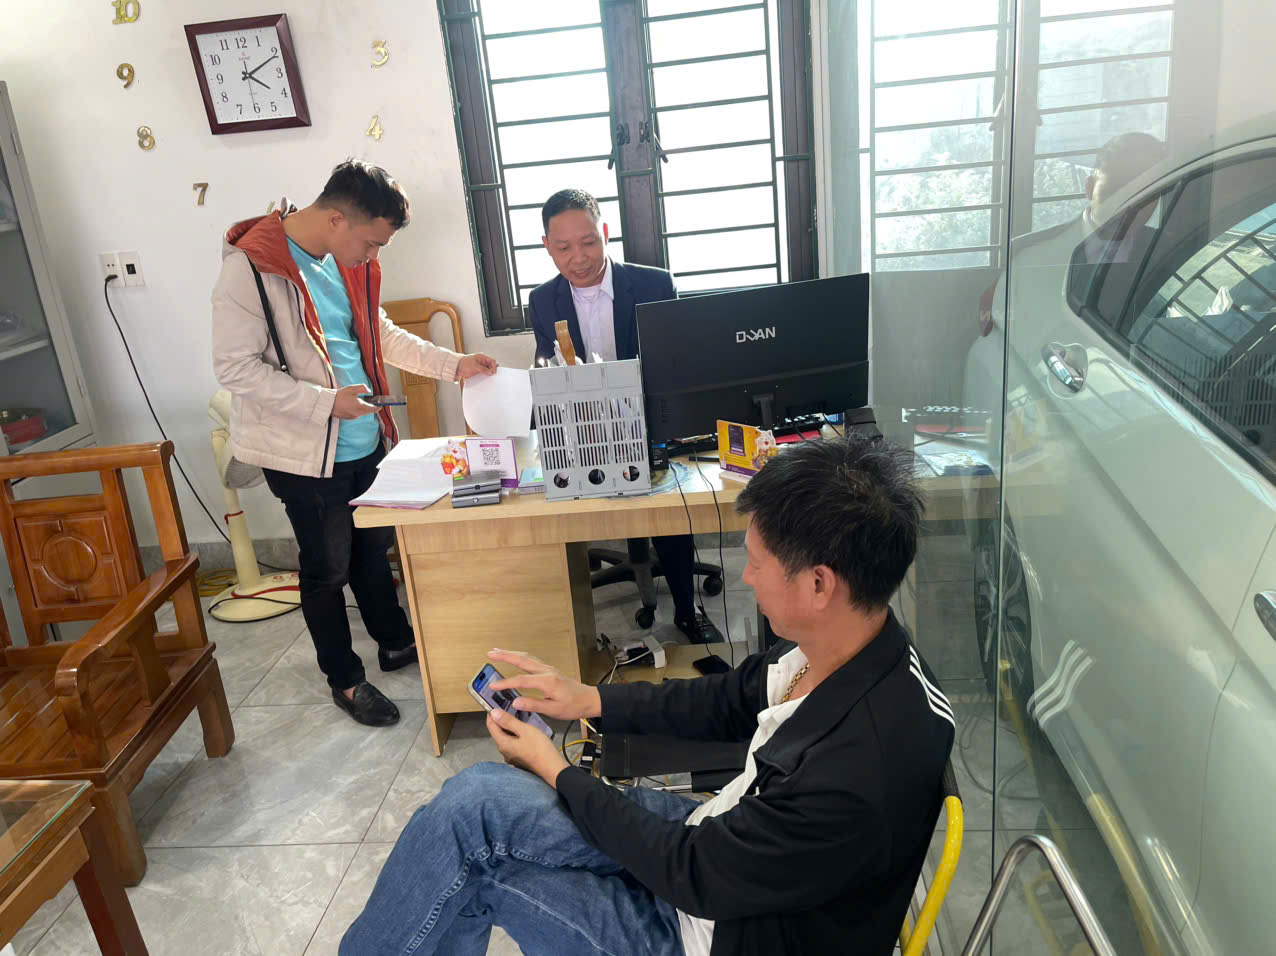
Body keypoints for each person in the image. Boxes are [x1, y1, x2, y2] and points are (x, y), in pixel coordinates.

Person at [341, 435, 956, 955]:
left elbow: (691, 873)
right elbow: (727, 699)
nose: (745, 577)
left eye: (757, 563)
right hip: (721, 842)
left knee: (476, 864)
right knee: (468, 805)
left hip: (710, 927)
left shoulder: (856, 769)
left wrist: (557, 770)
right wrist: (587, 700)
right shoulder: (849, 646)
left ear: (819, 585)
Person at [211, 160, 498, 727]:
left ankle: (394, 641)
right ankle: (344, 679)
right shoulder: (251, 269)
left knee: (373, 550)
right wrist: (325, 403)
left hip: (366, 438)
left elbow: (378, 334)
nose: (372, 257)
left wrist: (455, 365)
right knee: (327, 569)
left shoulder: (344, 261)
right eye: (370, 243)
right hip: (304, 455)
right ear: (336, 219)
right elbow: (234, 369)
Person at [528, 188, 721, 644]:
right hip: (585, 427)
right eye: (563, 247)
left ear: (606, 233)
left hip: (651, 420)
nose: (578, 258)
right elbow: (549, 369)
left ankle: (687, 610)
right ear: (547, 246)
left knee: (670, 510)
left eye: (588, 242)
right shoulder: (543, 300)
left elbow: (676, 362)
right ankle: (572, 630)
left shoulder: (655, 284)